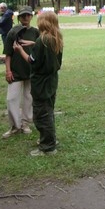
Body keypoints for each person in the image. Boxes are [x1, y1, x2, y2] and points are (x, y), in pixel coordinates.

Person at [13, 10, 63, 156]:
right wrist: (34, 43)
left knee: (42, 114)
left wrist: (20, 49)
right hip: (51, 81)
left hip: (41, 83)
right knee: (49, 110)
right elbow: (45, 51)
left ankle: (47, 146)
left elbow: (31, 60)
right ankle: (50, 139)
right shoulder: (55, 37)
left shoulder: (43, 41)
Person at [2, 7, 39, 139]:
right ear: (19, 17)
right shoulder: (13, 32)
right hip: (16, 71)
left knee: (29, 98)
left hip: (31, 70)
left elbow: (40, 48)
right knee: (11, 99)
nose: (25, 17)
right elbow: (8, 54)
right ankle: (15, 126)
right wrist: (8, 71)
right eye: (23, 15)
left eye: (28, 15)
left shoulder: (35, 32)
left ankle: (25, 123)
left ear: (31, 16)